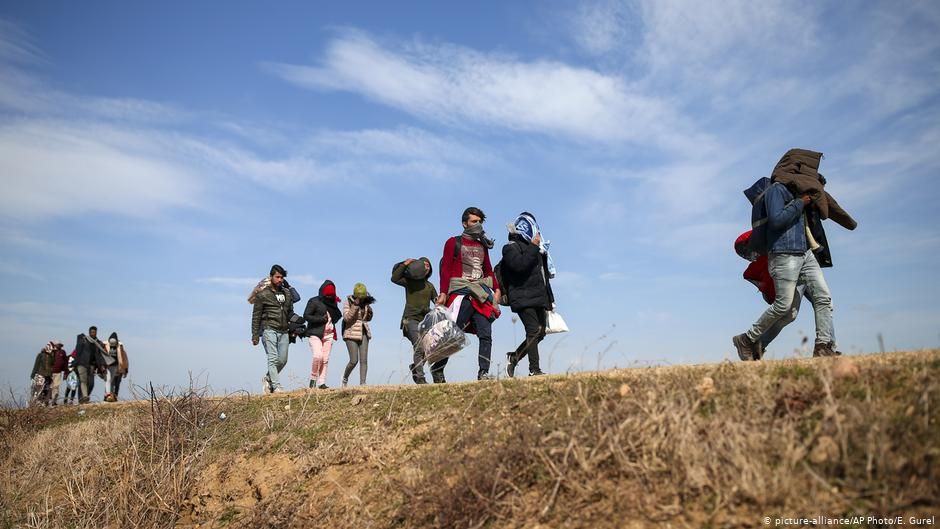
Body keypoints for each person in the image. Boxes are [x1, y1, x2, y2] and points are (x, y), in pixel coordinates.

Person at [733, 176, 837, 360]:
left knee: (823, 299)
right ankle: (748, 340)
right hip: (786, 255)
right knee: (786, 309)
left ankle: (824, 346)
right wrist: (800, 203)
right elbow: (777, 220)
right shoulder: (778, 191)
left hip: (806, 254)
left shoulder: (803, 197)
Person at [437, 207, 501, 381]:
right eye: (474, 221)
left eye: (480, 221)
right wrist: (443, 292)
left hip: (481, 295)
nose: (477, 224)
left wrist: (496, 289)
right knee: (453, 333)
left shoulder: (482, 246)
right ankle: (438, 370)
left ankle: (483, 372)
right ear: (464, 223)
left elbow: (487, 269)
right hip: (460, 295)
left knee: (486, 334)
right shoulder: (453, 242)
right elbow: (446, 270)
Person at [501, 212, 555, 377]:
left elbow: (543, 276)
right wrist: (533, 247)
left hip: (538, 296)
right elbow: (519, 266)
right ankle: (534, 369)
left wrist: (550, 300)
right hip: (522, 296)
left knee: (541, 332)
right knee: (533, 330)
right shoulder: (510, 248)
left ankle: (514, 357)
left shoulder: (538, 251)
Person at [391, 257, 440, 384]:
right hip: (410, 320)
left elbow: (437, 302)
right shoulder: (410, 282)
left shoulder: (430, 286)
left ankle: (415, 367)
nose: (426, 266)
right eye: (424, 264)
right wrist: (405, 264)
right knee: (419, 346)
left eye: (428, 265)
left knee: (428, 349)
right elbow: (394, 278)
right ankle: (420, 377)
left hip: (424, 322)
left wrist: (441, 301)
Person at [251, 264, 295, 394]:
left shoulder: (286, 293)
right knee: (273, 358)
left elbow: (290, 311)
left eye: (282, 277)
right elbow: (256, 316)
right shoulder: (262, 295)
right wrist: (255, 335)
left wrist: (294, 329)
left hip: (284, 330)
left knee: (283, 360)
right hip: (269, 329)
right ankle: (276, 386)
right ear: (271, 277)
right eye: (277, 277)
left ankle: (268, 379)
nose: (280, 279)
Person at [304, 280, 342, 389]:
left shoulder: (334, 302)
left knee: (325, 359)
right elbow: (306, 315)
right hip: (315, 333)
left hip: (329, 335)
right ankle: (313, 380)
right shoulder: (314, 301)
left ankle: (322, 383)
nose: (329, 297)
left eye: (332, 295)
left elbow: (336, 316)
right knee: (318, 356)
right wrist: (321, 319)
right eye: (328, 295)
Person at [341, 283, 375, 387]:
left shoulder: (366, 303)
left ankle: (363, 383)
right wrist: (355, 306)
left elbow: (367, 318)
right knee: (353, 360)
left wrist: (369, 312)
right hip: (351, 333)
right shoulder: (348, 302)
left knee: (364, 360)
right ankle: (345, 378)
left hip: (364, 331)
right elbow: (347, 318)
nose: (361, 298)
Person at [73, 326, 103, 403]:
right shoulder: (83, 340)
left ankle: (84, 397)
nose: (93, 333)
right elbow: (78, 352)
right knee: (83, 381)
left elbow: (99, 356)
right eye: (92, 332)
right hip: (82, 364)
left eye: (94, 332)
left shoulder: (98, 343)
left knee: (91, 384)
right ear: (89, 332)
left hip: (92, 365)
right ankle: (84, 397)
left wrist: (101, 366)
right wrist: (75, 364)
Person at [102, 332, 129, 401]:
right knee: (108, 380)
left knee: (114, 382)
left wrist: (125, 369)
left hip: (117, 367)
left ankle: (112, 396)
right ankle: (108, 395)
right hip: (107, 366)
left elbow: (123, 358)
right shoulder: (105, 345)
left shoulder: (120, 347)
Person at [49, 340, 67, 406]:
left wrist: (65, 373)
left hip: (58, 372)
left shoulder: (63, 352)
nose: (58, 345)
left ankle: (54, 400)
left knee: (56, 386)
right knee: (50, 386)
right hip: (50, 372)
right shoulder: (52, 352)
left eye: (59, 344)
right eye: (57, 344)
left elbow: (65, 363)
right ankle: (48, 400)